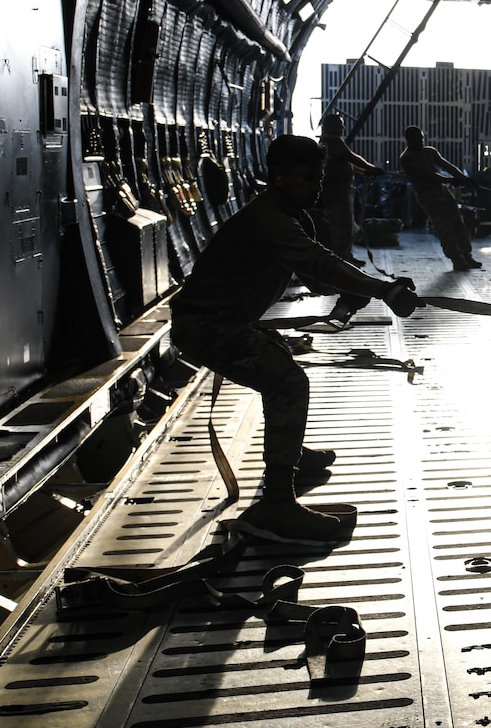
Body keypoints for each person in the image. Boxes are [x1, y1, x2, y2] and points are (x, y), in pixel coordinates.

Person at [171, 134, 419, 546]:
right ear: (279, 176)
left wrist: (354, 291)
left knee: (281, 367)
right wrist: (382, 289)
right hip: (205, 325)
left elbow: (314, 274)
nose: (318, 186)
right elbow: (318, 262)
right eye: (309, 178)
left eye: (320, 178)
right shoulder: (268, 219)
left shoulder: (294, 217)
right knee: (286, 381)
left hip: (225, 320)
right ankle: (277, 506)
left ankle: (291, 458)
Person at [317, 111, 382, 325]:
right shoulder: (332, 141)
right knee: (341, 227)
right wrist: (371, 168)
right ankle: (341, 261)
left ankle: (346, 256)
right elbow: (350, 157)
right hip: (336, 193)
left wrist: (365, 173)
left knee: (347, 226)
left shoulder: (330, 142)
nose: (343, 128)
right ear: (333, 125)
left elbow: (347, 164)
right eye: (340, 124)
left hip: (341, 190)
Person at [399, 125, 482, 270]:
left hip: (442, 192)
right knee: (444, 228)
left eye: (422, 138)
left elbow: (447, 166)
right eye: (418, 138)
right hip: (428, 196)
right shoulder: (407, 158)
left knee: (458, 223)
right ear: (409, 140)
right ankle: (457, 259)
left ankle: (467, 256)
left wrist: (462, 178)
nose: (421, 141)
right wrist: (451, 180)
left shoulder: (429, 151)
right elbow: (428, 175)